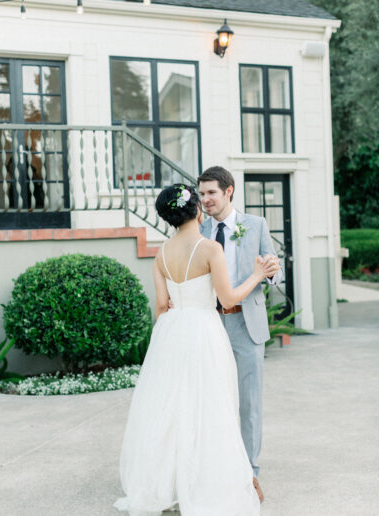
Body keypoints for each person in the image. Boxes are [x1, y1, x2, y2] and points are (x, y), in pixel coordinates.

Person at [114, 183, 266, 516]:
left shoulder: (161, 252)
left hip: (171, 333)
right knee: (210, 405)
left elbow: (160, 306)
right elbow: (226, 300)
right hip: (203, 331)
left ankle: (168, 482)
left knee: (172, 407)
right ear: (196, 209)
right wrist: (256, 275)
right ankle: (204, 482)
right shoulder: (210, 248)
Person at [198, 166, 282, 502]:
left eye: (211, 193)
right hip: (211, 324)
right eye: (201, 194)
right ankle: (217, 466)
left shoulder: (256, 225)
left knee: (249, 403)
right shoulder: (199, 231)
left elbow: (274, 271)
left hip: (247, 326)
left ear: (229, 191)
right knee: (215, 400)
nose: (205, 200)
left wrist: (273, 273)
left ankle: (249, 473)